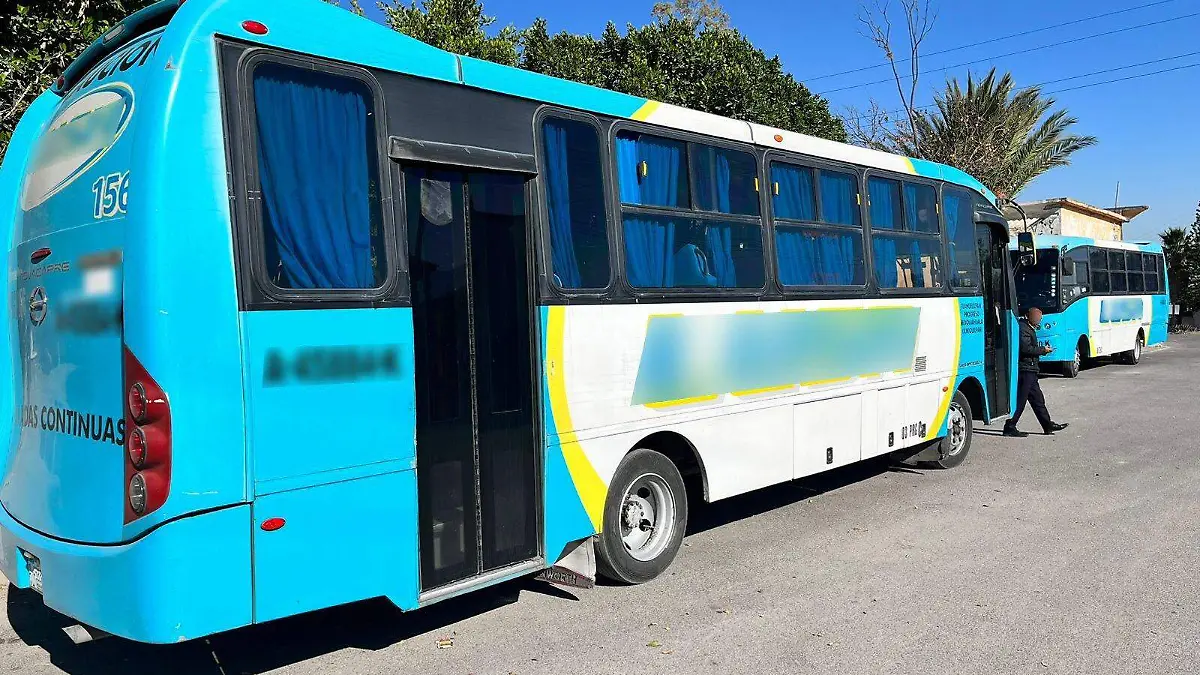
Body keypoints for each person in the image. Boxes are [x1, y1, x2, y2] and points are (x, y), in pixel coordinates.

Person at [1003, 307, 1069, 437]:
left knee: (1038, 400)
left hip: (1031, 369)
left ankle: (1047, 425)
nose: (1039, 321)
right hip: (1025, 369)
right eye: (1037, 318)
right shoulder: (1023, 328)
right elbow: (1025, 349)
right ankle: (1010, 426)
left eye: (1040, 318)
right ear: (1029, 316)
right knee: (1020, 401)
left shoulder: (1029, 327)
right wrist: (1042, 350)